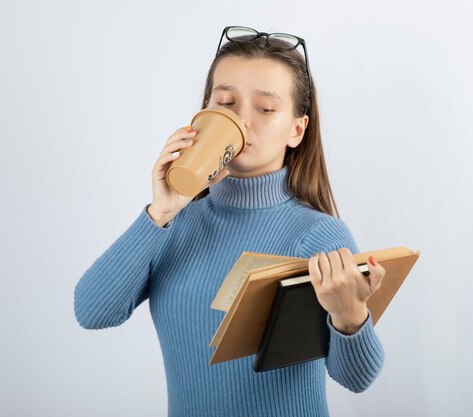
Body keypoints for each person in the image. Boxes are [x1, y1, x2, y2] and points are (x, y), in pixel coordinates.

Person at [74, 25, 386, 417]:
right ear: (204, 113)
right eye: (226, 102)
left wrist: (349, 316)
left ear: (297, 129)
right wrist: (162, 212)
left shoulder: (316, 235)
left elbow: (357, 378)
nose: (243, 122)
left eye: (266, 108)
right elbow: (92, 312)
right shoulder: (172, 226)